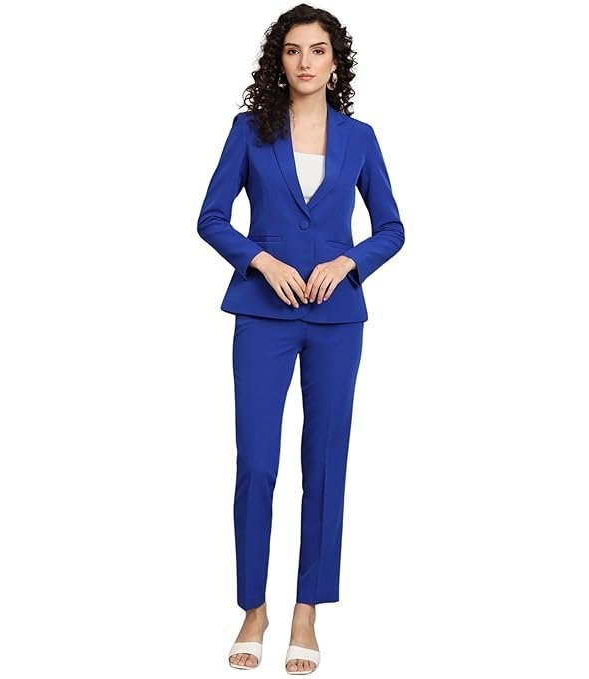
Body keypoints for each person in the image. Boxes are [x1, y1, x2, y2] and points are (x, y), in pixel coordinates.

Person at [196, 5, 405, 674]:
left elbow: (392, 227)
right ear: (278, 60)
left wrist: (350, 262)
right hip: (263, 314)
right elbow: (211, 217)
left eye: (318, 50)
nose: (305, 61)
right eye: (293, 50)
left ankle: (306, 611)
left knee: (325, 461)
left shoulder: (360, 138)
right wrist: (260, 260)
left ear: (335, 62)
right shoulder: (249, 130)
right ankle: (253, 607)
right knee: (257, 462)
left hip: (337, 321)